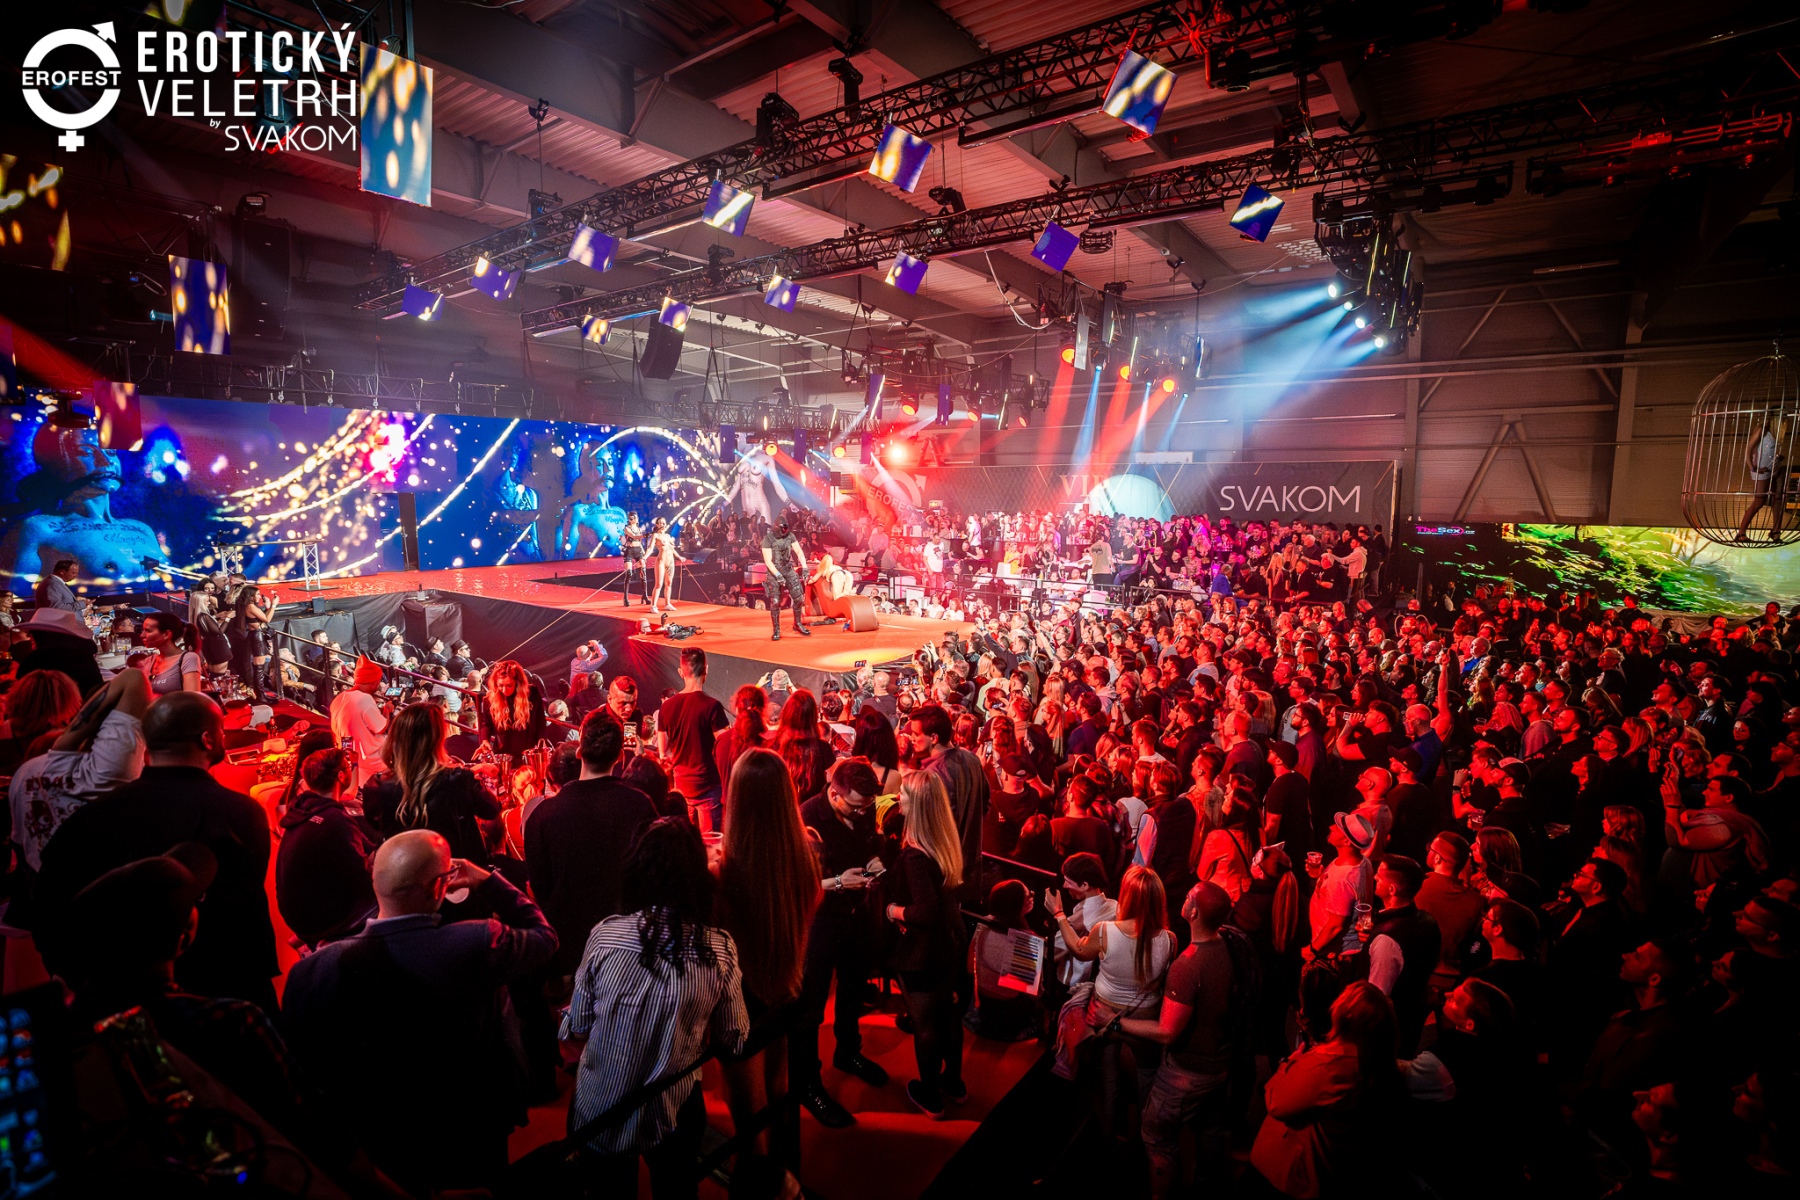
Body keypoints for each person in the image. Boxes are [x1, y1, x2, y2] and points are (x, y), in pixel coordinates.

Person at [282, 830, 557, 1195]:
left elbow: (303, 1071)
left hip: (371, 1140)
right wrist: (488, 881)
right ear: (439, 886)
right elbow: (544, 937)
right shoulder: (477, 942)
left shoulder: (311, 971)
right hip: (468, 1128)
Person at [34, 691, 279, 1013]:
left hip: (115, 996)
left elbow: (48, 903)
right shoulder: (239, 812)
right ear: (207, 739)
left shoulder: (93, 815)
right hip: (221, 994)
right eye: (220, 730)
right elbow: (242, 909)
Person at [561, 817, 748, 1199]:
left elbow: (576, 1028)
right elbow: (735, 1038)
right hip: (673, 1108)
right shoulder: (719, 948)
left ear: (635, 873)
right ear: (699, 878)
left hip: (600, 1106)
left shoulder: (605, 934)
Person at [715, 749, 820, 1150]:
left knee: (749, 1116)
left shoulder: (724, 872)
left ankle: (759, 1175)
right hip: (788, 985)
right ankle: (781, 1169)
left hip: (741, 1002)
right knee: (778, 1091)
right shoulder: (806, 855)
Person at [1124, 881, 1242, 1200]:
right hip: (1220, 1063)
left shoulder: (1187, 966)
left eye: (1190, 896)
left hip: (1187, 1071)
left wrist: (1118, 1022)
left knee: (1156, 1135)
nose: (1185, 897)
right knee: (1210, 1129)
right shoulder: (1228, 945)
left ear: (1194, 913)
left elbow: (1167, 1031)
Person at [523, 712, 659, 978]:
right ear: (619, 756)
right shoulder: (640, 806)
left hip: (567, 953)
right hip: (626, 950)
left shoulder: (542, 816)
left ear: (579, 752)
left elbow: (539, 887)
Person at [794, 757, 890, 1127]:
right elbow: (795, 883)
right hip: (819, 922)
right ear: (834, 794)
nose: (863, 812)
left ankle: (848, 1052)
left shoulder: (863, 808)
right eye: (856, 806)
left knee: (853, 988)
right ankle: (807, 1083)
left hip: (855, 915)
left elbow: (866, 845)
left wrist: (874, 860)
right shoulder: (807, 817)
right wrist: (837, 883)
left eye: (867, 806)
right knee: (811, 1007)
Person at [1252, 981, 1407, 1198]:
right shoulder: (1377, 1062)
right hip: (1332, 1171)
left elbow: (1277, 1103)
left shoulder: (1334, 1065)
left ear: (1345, 1015)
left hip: (1291, 1178)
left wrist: (1288, 1063)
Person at [882, 770, 968, 1118]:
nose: (897, 797)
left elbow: (925, 911)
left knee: (925, 1024)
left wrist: (892, 910)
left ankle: (930, 1095)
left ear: (916, 804)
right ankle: (954, 1083)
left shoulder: (914, 856)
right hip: (948, 946)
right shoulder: (943, 842)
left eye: (903, 793)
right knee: (948, 1015)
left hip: (921, 953)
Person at [8, 666, 148, 876]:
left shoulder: (24, 772)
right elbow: (133, 678)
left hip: (40, 885)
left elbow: (19, 843)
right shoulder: (104, 774)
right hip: (97, 887)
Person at [1049, 864, 1175, 1080]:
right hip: (1144, 1019)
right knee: (1145, 1075)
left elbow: (1079, 950)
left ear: (1127, 897)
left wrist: (1059, 914)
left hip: (1103, 1012)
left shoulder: (1104, 931)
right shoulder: (1170, 939)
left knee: (1108, 1076)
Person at [361, 702, 499, 863]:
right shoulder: (457, 780)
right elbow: (492, 810)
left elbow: (377, 826)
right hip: (453, 872)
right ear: (436, 741)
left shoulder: (376, 786)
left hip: (401, 870)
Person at [275, 747, 380, 948]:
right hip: (322, 921)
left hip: (298, 914)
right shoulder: (335, 820)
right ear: (341, 776)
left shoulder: (304, 809)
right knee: (390, 894)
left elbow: (366, 848)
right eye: (348, 767)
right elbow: (362, 879)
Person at [907, 704, 989, 904]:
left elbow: (935, 829)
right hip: (971, 865)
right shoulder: (971, 759)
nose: (911, 739)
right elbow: (986, 803)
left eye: (916, 734)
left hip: (945, 873)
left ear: (934, 738)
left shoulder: (934, 775)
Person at [657, 648, 729, 833]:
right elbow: (725, 748)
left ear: (681, 672)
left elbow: (663, 752)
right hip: (709, 787)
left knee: (686, 841)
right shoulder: (712, 706)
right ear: (706, 669)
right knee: (710, 843)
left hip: (681, 788)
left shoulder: (666, 707)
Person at [329, 656, 389, 791]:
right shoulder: (364, 699)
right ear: (374, 682)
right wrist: (387, 710)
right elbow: (381, 728)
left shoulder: (339, 698)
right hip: (370, 760)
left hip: (348, 755)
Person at [761, 508, 812, 642]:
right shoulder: (768, 539)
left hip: (788, 569)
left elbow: (799, 552)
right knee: (775, 602)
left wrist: (805, 568)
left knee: (799, 598)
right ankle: (776, 629)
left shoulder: (790, 536)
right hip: (774, 572)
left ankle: (797, 623)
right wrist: (778, 575)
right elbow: (768, 561)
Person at [480, 658, 547, 758]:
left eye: (509, 685)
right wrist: (485, 739)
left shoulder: (532, 693)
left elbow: (540, 719)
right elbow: (487, 725)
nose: (504, 690)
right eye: (500, 685)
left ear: (517, 682)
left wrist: (541, 737)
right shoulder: (490, 699)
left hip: (528, 750)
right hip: (503, 752)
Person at [139, 611, 203, 694]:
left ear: (166, 634)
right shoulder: (149, 661)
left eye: (148, 631)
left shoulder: (187, 658)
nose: (142, 635)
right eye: (143, 630)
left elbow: (192, 697)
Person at [649, 516, 679, 612]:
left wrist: (679, 557)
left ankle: (667, 603)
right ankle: (653, 606)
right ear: (657, 524)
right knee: (658, 584)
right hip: (661, 561)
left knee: (669, 583)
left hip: (670, 561)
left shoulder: (668, 536)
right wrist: (644, 557)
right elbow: (650, 548)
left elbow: (672, 549)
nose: (662, 524)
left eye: (664, 523)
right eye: (660, 523)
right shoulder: (655, 535)